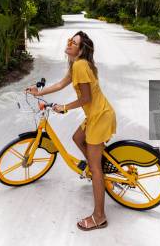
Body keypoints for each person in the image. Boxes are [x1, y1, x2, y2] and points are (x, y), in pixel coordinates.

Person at [25, 31, 117, 231]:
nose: (69, 44)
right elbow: (60, 84)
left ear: (81, 49)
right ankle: (96, 166)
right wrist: (39, 92)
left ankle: (99, 216)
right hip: (96, 115)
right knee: (77, 138)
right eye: (69, 40)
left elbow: (86, 99)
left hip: (100, 117)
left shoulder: (81, 66)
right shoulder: (75, 65)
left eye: (73, 43)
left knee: (95, 168)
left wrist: (64, 107)